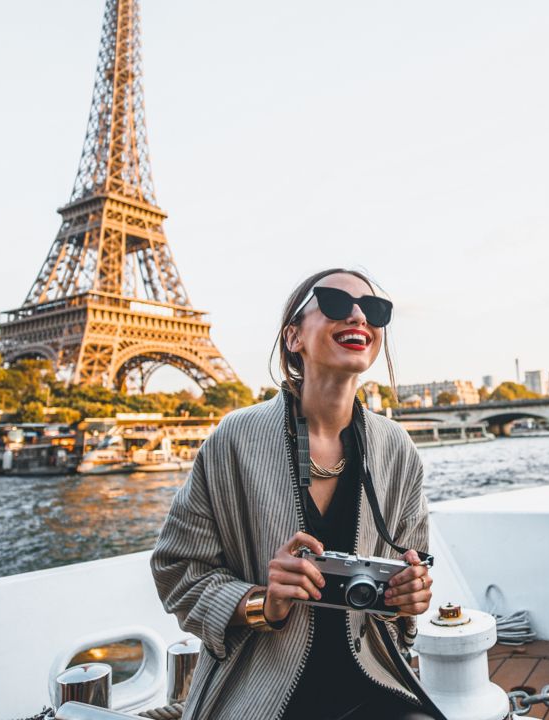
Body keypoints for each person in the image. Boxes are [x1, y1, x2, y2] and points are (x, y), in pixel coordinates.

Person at [152, 269, 437, 720]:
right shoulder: (235, 438)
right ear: (293, 337)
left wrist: (409, 596)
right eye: (337, 304)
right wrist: (263, 602)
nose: (360, 315)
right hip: (256, 688)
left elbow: (412, 564)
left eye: (375, 309)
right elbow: (177, 568)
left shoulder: (396, 447)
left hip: (375, 677)